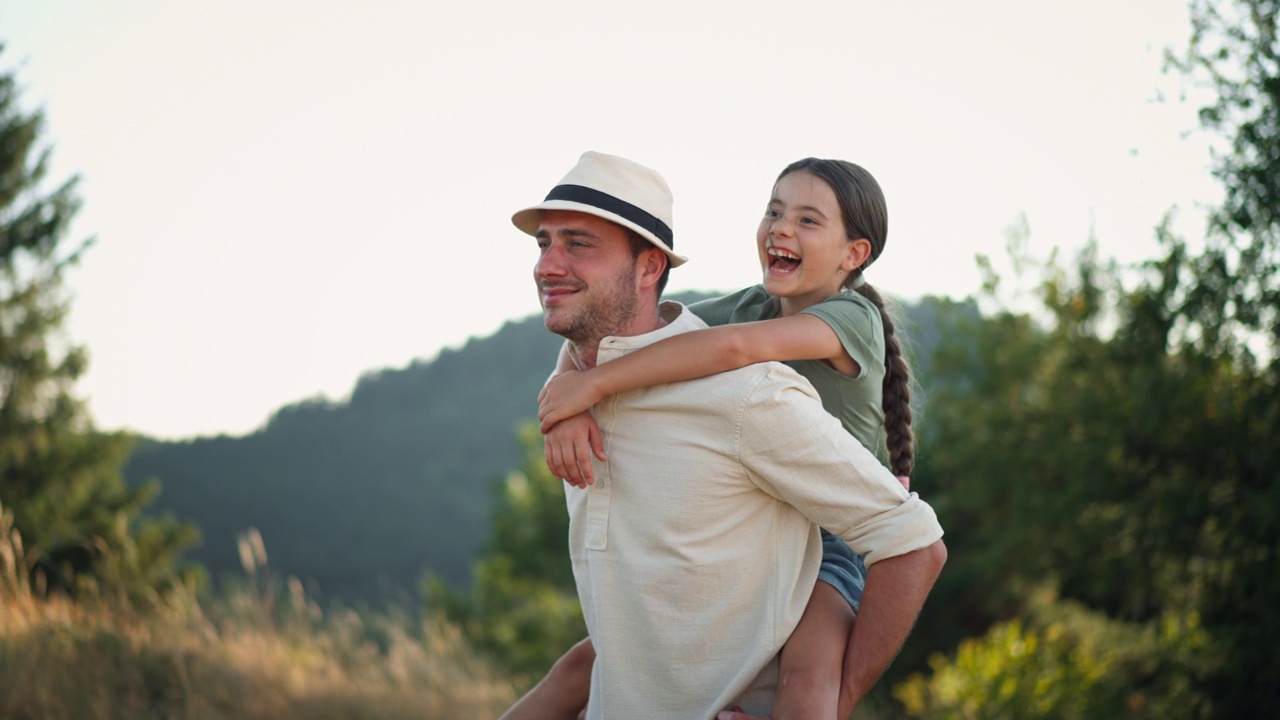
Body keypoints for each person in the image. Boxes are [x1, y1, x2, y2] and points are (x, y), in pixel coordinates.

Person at [503, 151, 945, 720]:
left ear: (854, 254)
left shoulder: (844, 321)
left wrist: (592, 387)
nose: (783, 228)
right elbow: (653, 328)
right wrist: (567, 399)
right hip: (787, 519)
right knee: (582, 669)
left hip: (839, 537)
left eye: (808, 220)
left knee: (810, 684)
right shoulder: (751, 307)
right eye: (774, 211)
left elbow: (730, 349)